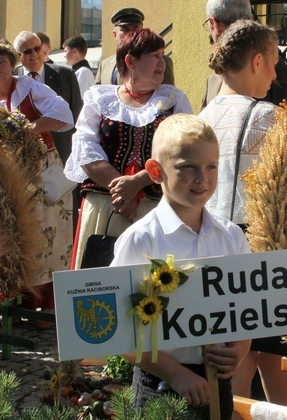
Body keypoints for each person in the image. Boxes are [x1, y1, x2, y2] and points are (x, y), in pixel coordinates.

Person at [199, 19, 287, 406]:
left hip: (213, 244)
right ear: (255, 62)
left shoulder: (201, 118)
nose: (275, 72)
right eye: (273, 62)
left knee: (234, 358)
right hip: (266, 247)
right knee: (275, 357)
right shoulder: (271, 117)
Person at [111, 113, 250, 419]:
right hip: (159, 384)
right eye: (188, 168)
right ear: (155, 171)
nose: (202, 178)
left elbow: (249, 310)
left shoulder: (232, 237)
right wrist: (174, 373)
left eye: (211, 166)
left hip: (217, 382)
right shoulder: (141, 240)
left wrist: (238, 351)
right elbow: (120, 330)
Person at [65, 29, 192, 270]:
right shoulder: (99, 98)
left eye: (162, 55)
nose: (161, 62)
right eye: (154, 55)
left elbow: (183, 149)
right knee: (100, 283)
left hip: (155, 206)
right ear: (130, 61)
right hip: (106, 205)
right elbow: (85, 148)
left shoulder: (173, 100)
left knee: (152, 286)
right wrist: (121, 188)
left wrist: (137, 182)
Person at [0, 39, 74, 313]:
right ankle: (16, 303)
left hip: (39, 170)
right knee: (13, 236)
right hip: (4, 175)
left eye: (2, 63)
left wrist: (27, 129)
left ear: (12, 65)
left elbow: (63, 115)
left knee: (46, 235)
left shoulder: (30, 88)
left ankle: (46, 308)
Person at [14, 30, 83, 232]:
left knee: (63, 213)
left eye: (37, 48)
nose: (34, 54)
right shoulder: (12, 78)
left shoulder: (64, 74)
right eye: (27, 51)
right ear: (19, 54)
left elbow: (76, 115)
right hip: (25, 160)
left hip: (60, 154)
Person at [201, 0, 287, 109]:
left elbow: (285, 121)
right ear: (251, 18)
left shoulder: (271, 65)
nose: (273, 76)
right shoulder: (213, 79)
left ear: (215, 24)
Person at [94, 7, 175, 86]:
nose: (131, 34)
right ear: (115, 34)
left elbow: (169, 96)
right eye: (125, 29)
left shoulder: (159, 62)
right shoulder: (105, 65)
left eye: (135, 29)